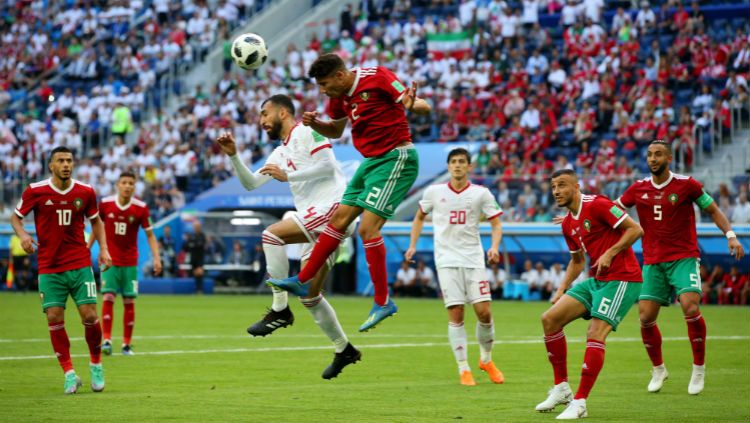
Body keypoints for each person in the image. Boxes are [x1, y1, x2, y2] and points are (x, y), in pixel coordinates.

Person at [268, 53, 432, 332]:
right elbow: (336, 130)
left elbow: (422, 106)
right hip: (370, 162)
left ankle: (382, 302)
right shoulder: (338, 97)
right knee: (339, 220)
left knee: (368, 229)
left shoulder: (378, 77)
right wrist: (315, 124)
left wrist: (411, 104)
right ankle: (303, 278)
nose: (322, 90)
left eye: (324, 83)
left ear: (340, 76)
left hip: (396, 158)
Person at [216, 94, 361, 379]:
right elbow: (251, 184)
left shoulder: (307, 131)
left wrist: (288, 177)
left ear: (283, 112)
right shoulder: (279, 153)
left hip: (334, 207)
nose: (261, 121)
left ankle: (279, 309)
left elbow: (328, 167)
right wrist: (234, 155)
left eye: (264, 114)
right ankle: (344, 349)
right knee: (309, 296)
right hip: (320, 220)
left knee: (271, 235)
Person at [615, 140, 745, 395]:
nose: (653, 159)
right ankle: (659, 369)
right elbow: (612, 210)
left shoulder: (687, 185)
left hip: (683, 257)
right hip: (653, 261)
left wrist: (730, 235)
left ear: (669, 158)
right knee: (645, 317)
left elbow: (714, 209)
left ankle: (698, 369)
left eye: (658, 154)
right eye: (650, 155)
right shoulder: (637, 188)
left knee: (690, 305)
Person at [536, 169, 643, 419]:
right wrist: (562, 289)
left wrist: (610, 252)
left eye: (562, 185)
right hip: (596, 280)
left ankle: (581, 402)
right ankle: (562, 389)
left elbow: (635, 229)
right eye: (553, 187)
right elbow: (577, 261)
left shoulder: (598, 205)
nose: (557, 191)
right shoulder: (567, 223)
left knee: (595, 333)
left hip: (622, 279)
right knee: (549, 319)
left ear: (576, 186)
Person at [10, 146, 112, 394]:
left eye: (69, 160)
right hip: (49, 266)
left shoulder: (85, 192)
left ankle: (96, 364)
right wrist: (23, 235)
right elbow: (16, 217)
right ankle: (69, 373)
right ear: (51, 166)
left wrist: (105, 250)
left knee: (89, 316)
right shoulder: (35, 191)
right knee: (54, 318)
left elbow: (96, 221)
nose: (66, 164)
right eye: (61, 161)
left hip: (79, 263)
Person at [405, 148, 505, 386]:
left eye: (462, 162)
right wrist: (412, 245)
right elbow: (419, 217)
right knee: (457, 313)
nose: (457, 165)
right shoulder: (434, 192)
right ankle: (464, 368)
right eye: (453, 162)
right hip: (446, 260)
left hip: (473, 259)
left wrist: (494, 247)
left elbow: (496, 223)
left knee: (484, 312)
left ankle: (486, 360)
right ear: (448, 167)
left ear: (469, 167)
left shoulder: (481, 194)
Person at [91, 170, 162, 356]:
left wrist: (157, 258)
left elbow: (150, 235)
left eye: (131, 183)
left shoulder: (141, 208)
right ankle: (106, 340)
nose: (127, 186)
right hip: (109, 260)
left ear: (135, 186)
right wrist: (87, 248)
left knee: (129, 300)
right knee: (108, 297)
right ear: (118, 185)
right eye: (124, 182)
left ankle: (126, 345)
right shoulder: (105, 204)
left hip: (130, 262)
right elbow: (96, 227)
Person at [183, 220, 207, 293]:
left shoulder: (202, 236)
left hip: (200, 257)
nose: (196, 228)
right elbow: (186, 246)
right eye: (195, 226)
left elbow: (201, 245)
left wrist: (193, 245)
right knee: (194, 273)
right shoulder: (191, 236)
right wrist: (193, 245)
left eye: (197, 226)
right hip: (193, 258)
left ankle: (200, 289)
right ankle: (197, 289)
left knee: (200, 272)